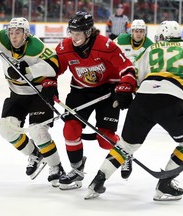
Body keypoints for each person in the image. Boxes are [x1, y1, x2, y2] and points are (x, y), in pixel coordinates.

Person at [86, 20, 183, 201]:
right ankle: (165, 185)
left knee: (126, 145)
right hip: (169, 100)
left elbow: (136, 76)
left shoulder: (151, 49)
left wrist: (123, 91)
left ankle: (97, 181)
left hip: (142, 99)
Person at [0, 16, 65, 187]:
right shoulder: (3, 38)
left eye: (18, 32)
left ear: (26, 34)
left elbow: (55, 64)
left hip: (38, 94)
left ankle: (56, 167)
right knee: (6, 129)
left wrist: (27, 69)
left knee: (38, 132)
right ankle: (35, 154)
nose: (14, 36)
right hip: (17, 93)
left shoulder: (36, 47)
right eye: (11, 31)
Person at [55, 11, 137, 190]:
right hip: (80, 91)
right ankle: (76, 171)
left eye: (77, 34)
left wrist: (125, 87)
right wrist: (48, 85)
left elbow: (127, 67)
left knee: (105, 140)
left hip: (108, 91)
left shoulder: (105, 45)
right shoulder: (65, 47)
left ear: (88, 31)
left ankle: (124, 152)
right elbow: (53, 67)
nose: (73, 37)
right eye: (72, 33)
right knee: (70, 129)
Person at [114, 19, 154, 180]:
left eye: (141, 31)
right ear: (132, 31)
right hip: (120, 85)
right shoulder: (120, 40)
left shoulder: (150, 46)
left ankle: (126, 153)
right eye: (136, 31)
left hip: (139, 87)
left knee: (132, 123)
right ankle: (122, 150)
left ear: (145, 32)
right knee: (110, 124)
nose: (138, 34)